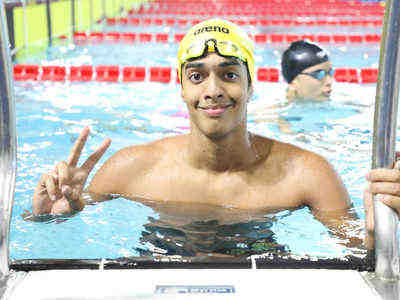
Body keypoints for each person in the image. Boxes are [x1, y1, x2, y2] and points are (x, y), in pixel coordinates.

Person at [30, 18, 396, 251]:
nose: (213, 90)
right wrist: (50, 215)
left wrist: (388, 227)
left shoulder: (308, 174)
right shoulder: (130, 168)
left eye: (230, 74)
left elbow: (361, 250)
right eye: (196, 76)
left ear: (251, 87)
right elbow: (53, 231)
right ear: (182, 89)